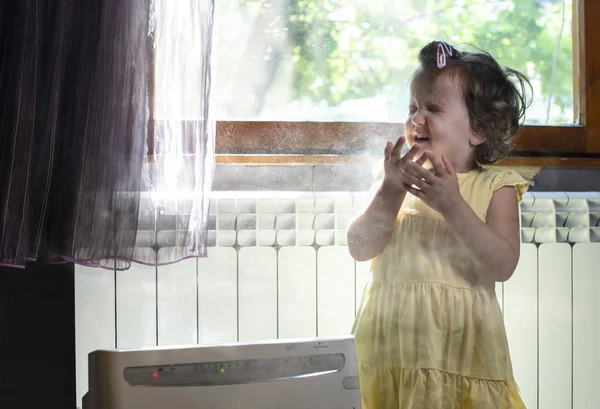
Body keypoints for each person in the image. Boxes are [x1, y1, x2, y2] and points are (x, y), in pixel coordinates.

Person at [347, 40, 533, 409]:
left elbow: (502, 265)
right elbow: (360, 246)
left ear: (478, 130)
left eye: (433, 108)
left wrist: (453, 205)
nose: (417, 119)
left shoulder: (496, 188)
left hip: (461, 353)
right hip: (387, 351)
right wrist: (388, 191)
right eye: (413, 107)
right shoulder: (395, 179)